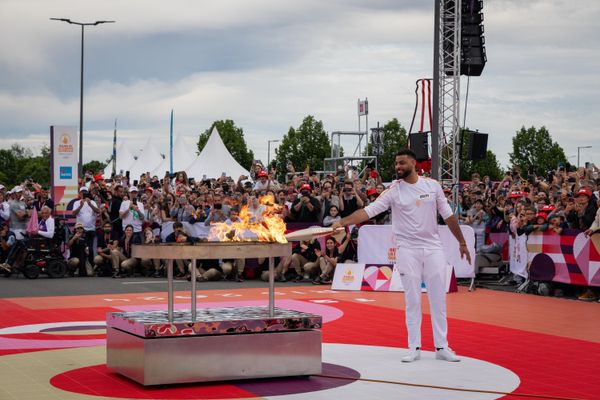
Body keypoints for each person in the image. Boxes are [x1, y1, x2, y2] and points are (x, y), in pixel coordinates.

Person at [332, 149, 471, 363]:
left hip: (433, 247)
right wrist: (342, 222)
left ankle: (442, 346)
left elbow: (448, 216)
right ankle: (414, 346)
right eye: (396, 163)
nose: (398, 167)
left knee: (438, 299)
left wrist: (462, 242)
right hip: (407, 249)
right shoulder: (393, 191)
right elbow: (368, 212)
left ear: (413, 164)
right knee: (412, 299)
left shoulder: (432, 186)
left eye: (402, 163)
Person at [72, 187, 100, 266]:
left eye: (85, 192)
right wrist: (80, 206)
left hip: (91, 229)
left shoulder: (92, 202)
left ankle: (91, 265)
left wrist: (90, 204)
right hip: (80, 230)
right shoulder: (76, 202)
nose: (83, 194)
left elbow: (98, 211)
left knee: (90, 249)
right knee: (80, 249)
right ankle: (81, 267)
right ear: (79, 193)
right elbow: (73, 214)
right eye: (82, 192)